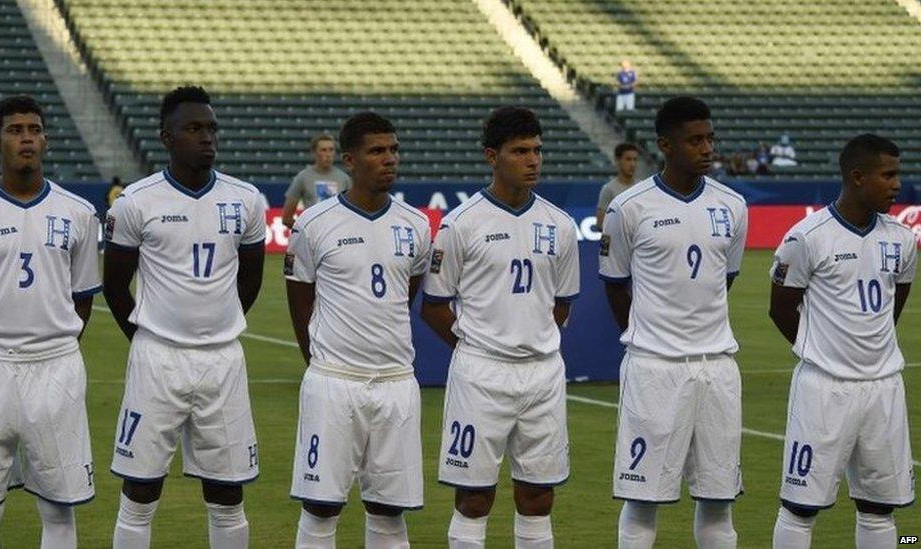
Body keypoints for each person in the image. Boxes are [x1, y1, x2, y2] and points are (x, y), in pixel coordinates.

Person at [103, 86, 266, 549]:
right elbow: (115, 285)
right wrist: (144, 337)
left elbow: (250, 280)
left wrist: (218, 322)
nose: (206, 137)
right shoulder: (136, 202)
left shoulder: (246, 200)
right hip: (158, 359)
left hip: (223, 360)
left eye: (211, 128)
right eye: (193, 128)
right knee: (140, 488)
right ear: (166, 137)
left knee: (227, 491)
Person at [0, 95, 101, 549]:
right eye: (15, 130)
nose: (26, 138)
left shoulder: (78, 212)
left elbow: (83, 300)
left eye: (34, 129)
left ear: (46, 139)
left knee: (57, 506)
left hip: (57, 367)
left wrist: (55, 344)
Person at [421, 106, 580, 549]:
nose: (533, 160)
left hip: (542, 374)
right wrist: (476, 346)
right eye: (520, 151)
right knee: (473, 497)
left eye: (537, 150)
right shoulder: (461, 224)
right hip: (481, 373)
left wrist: (531, 339)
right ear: (493, 156)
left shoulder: (560, 225)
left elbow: (562, 302)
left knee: (538, 496)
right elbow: (434, 305)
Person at [599, 96, 748, 549]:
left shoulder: (734, 205)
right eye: (694, 140)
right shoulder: (629, 207)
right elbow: (614, 285)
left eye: (710, 139)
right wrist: (650, 336)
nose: (706, 148)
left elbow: (725, 279)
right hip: (654, 369)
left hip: (718, 368)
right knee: (642, 501)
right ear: (665, 145)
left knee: (719, 503)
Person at [285, 112, 431, 548]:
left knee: (389, 510)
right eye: (377, 151)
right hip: (335, 382)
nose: (389, 159)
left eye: (394, 149)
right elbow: (299, 300)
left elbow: (409, 292)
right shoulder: (314, 224)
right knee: (321, 506)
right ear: (350, 159)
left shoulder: (416, 224)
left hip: (396, 383)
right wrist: (320, 363)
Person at [768, 134, 916, 549]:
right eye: (887, 175)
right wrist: (820, 353)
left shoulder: (902, 240)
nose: (896, 184)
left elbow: (893, 305)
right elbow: (780, 308)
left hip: (884, 388)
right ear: (857, 177)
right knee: (800, 507)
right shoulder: (807, 236)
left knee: (880, 508)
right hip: (824, 389)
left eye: (897, 174)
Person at [281, 133, 351, 229]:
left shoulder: (344, 179)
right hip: (313, 235)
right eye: (323, 150)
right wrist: (305, 231)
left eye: (331, 150)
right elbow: (286, 218)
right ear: (314, 152)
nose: (328, 154)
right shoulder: (303, 177)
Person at [597, 143, 640, 230]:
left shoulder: (642, 187)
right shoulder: (609, 190)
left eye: (635, 160)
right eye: (628, 159)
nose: (632, 164)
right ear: (617, 160)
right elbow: (600, 224)